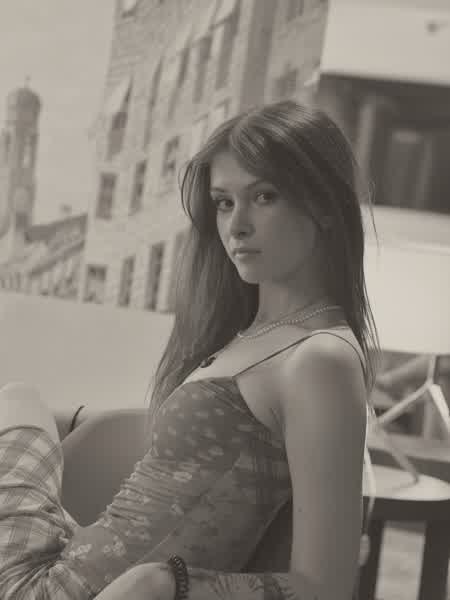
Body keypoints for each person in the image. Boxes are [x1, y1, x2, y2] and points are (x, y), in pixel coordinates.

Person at [0, 100, 378, 600]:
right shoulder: (255, 332)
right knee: (20, 398)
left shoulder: (320, 359)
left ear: (325, 205)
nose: (236, 226)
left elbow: (324, 588)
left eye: (264, 196)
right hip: (67, 563)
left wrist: (166, 582)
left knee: (15, 400)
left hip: (56, 592)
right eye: (224, 202)